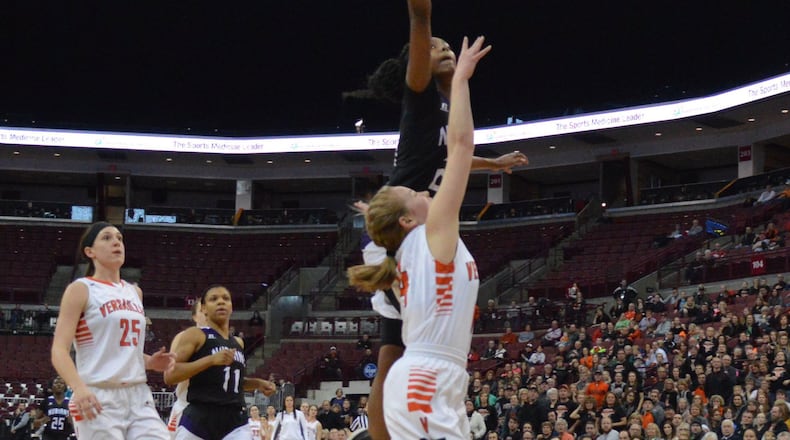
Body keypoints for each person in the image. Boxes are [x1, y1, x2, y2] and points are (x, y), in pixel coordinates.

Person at [348, 0, 527, 437]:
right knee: (393, 348)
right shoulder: (421, 96)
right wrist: (420, 16)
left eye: (447, 45)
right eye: (435, 46)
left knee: (402, 344)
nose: (443, 48)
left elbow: (456, 155)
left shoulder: (449, 107)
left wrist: (495, 164)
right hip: (399, 233)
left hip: (419, 233)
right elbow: (420, 21)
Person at [50, 221, 176, 439]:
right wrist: (78, 388)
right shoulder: (81, 289)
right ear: (90, 251)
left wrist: (148, 361)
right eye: (107, 238)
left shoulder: (135, 292)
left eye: (119, 238)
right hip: (98, 394)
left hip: (138, 394)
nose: (116, 242)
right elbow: (59, 350)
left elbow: (117, 347)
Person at [164, 285, 276, 440]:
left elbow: (228, 380)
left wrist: (257, 383)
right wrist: (210, 360)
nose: (221, 302)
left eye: (226, 298)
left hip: (235, 419)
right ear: (203, 308)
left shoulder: (237, 343)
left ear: (231, 307)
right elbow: (170, 375)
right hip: (200, 417)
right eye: (213, 299)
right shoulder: (194, 335)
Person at [166, 300, 207, 438]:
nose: (207, 313)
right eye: (202, 310)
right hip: (187, 405)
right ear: (194, 316)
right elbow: (170, 375)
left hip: (216, 408)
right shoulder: (183, 337)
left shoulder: (225, 341)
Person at [40, 376, 73, 440]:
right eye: (56, 383)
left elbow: (77, 423)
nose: (59, 385)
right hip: (48, 436)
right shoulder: (46, 401)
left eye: (61, 383)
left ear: (65, 387)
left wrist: (71, 421)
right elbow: (33, 422)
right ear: (51, 386)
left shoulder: (70, 402)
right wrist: (41, 421)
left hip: (64, 436)